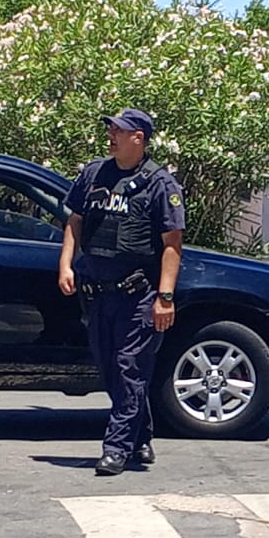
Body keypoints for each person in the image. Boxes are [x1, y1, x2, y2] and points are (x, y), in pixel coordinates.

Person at [58, 108, 185, 477]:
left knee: (130, 369)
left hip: (139, 295)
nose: (111, 135)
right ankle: (140, 434)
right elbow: (75, 220)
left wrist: (165, 297)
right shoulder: (95, 173)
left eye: (119, 130)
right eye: (111, 129)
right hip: (98, 295)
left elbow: (172, 244)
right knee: (112, 371)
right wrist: (66, 264)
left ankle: (115, 448)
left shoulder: (159, 184)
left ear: (139, 139)